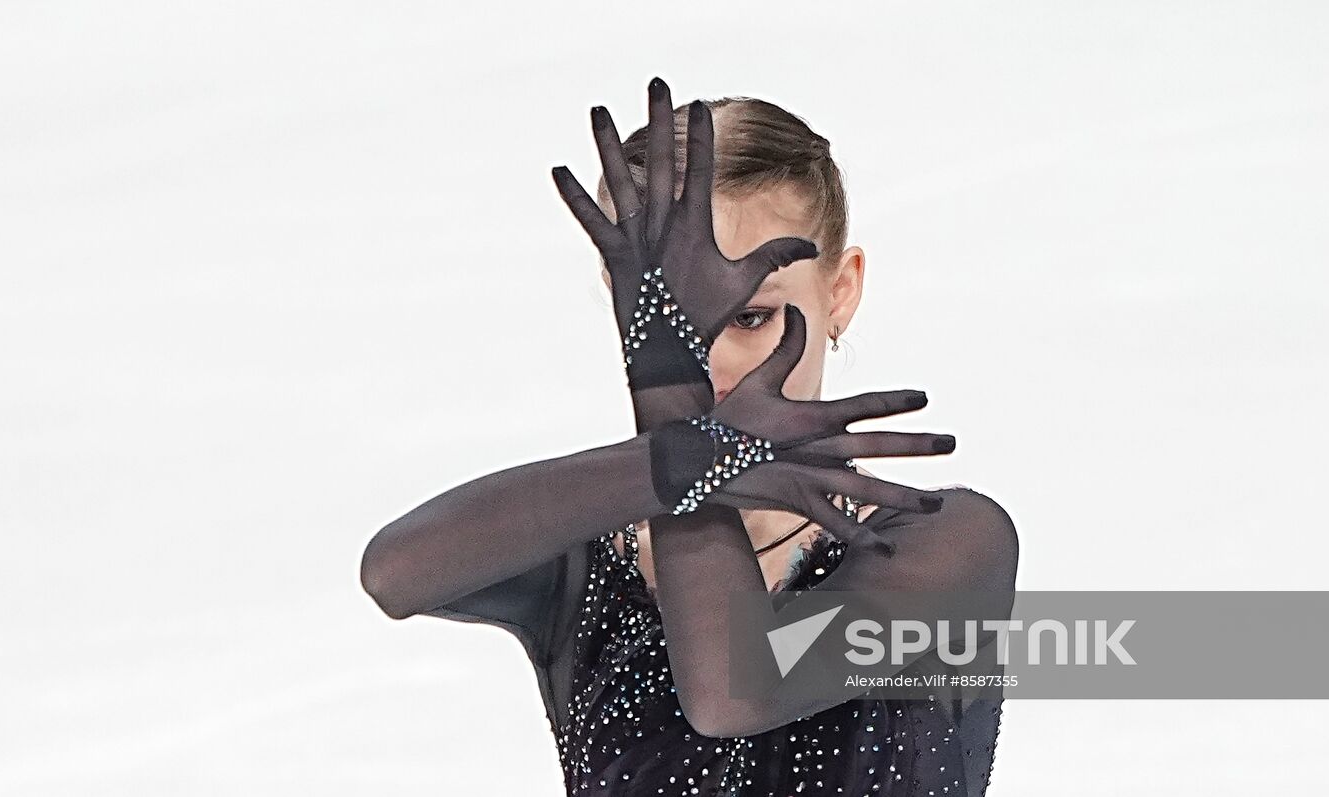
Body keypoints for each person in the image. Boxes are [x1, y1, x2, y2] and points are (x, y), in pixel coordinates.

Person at [360, 77, 1019, 796]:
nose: (712, 364)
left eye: (750, 318)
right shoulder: (594, 559)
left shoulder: (948, 544)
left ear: (840, 291)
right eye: (673, 329)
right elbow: (395, 573)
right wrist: (670, 458)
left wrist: (679, 436)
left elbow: (736, 692)